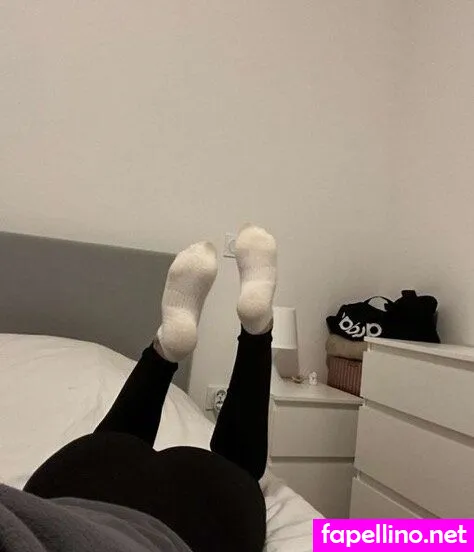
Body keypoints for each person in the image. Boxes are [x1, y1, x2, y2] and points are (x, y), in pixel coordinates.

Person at [0, 224, 277, 552]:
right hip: (76, 484)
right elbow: (335, 537)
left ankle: (233, 336)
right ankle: (177, 347)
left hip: (167, 505)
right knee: (121, 443)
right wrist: (337, 536)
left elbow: (336, 539)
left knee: (237, 468)